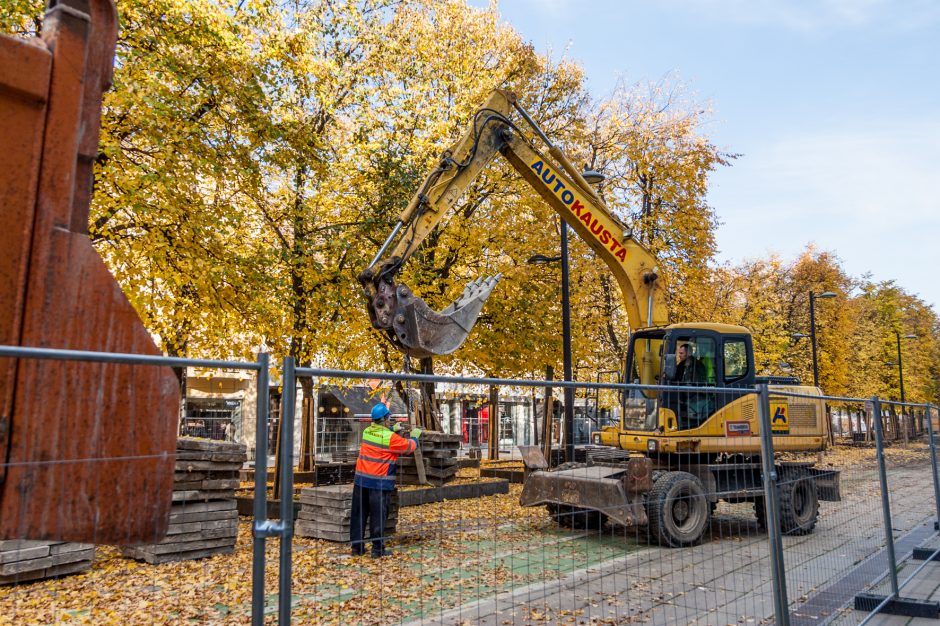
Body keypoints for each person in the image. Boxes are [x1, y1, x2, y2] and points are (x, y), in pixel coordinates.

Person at [350, 401, 422, 558]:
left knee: (359, 515)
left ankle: (357, 548)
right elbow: (408, 447)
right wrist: (415, 437)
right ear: (383, 419)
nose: (391, 420)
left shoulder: (367, 432)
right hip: (378, 482)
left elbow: (380, 435)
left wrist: (392, 429)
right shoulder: (390, 439)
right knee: (378, 517)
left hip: (361, 481)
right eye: (389, 418)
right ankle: (377, 550)